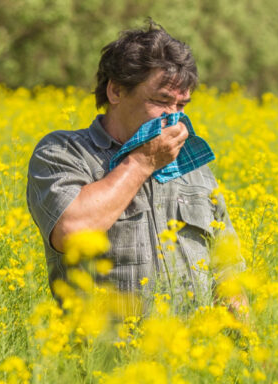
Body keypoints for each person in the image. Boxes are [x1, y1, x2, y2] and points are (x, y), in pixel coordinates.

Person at [25, 21, 247, 318]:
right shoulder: (65, 152)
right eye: (161, 101)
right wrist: (142, 161)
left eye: (182, 105)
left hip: (195, 358)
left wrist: (247, 346)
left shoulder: (191, 165)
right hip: (102, 357)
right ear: (116, 91)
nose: (174, 118)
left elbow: (227, 269)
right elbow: (72, 231)